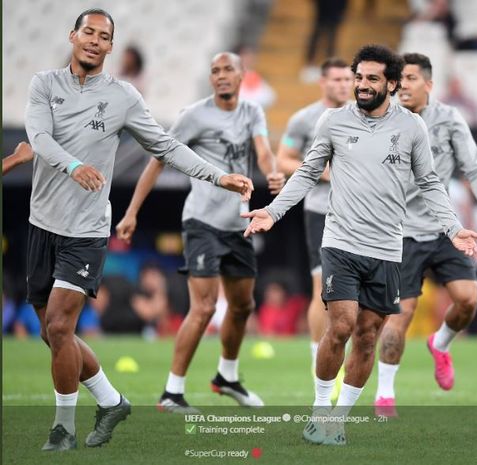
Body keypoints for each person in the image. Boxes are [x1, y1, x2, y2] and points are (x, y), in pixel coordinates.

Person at [24, 9, 253, 451]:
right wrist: (73, 165)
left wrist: (217, 176)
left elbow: (165, 145)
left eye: (104, 36)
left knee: (57, 325)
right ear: (73, 36)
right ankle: (111, 401)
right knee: (53, 334)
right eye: (87, 32)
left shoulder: (123, 97)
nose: (94, 40)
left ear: (111, 47)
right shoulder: (44, 85)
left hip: (85, 230)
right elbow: (39, 137)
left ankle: (63, 429)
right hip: (40, 225)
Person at [243, 44, 477, 446]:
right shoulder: (333, 121)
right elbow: (306, 172)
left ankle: (338, 419)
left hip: (389, 248)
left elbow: (429, 183)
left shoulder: (411, 128)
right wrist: (273, 210)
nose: (363, 85)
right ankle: (320, 412)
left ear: (391, 83)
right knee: (340, 326)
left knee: (368, 336)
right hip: (340, 242)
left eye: (372, 78)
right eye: (359, 77)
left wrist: (453, 228)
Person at [116, 51, 283, 413]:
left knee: (243, 306)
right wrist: (131, 212)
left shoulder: (253, 112)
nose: (221, 76)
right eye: (215, 71)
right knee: (205, 306)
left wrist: (272, 173)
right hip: (202, 224)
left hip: (238, 224)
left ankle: (227, 376)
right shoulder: (194, 115)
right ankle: (172, 392)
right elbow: (158, 157)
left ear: (242, 76)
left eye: (228, 70)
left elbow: (264, 153)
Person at [373, 53, 477, 417]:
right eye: (398, 78)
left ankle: (441, 342)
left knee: (468, 299)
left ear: (429, 85)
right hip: (400, 233)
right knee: (401, 313)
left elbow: (473, 168)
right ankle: (385, 395)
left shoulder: (449, 120)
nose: (401, 84)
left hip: (446, 229)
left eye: (410, 78)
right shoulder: (381, 120)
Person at [276, 57, 353, 390]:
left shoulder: (362, 116)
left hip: (358, 213)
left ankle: (339, 356)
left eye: (347, 79)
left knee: (353, 293)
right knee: (322, 289)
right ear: (322, 82)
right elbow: (283, 158)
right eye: (335, 79)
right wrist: (322, 172)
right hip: (320, 210)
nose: (342, 85)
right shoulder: (305, 118)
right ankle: (317, 361)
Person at [300, 0, 349, 83]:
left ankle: (330, 66)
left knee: (331, 34)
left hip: (335, 7)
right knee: (321, 32)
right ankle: (311, 63)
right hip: (323, 7)